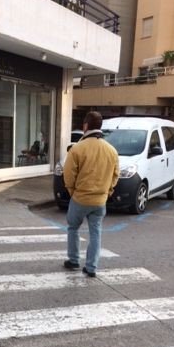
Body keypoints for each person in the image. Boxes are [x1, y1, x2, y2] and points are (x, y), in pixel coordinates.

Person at [63, 111, 119, 278]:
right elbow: (115, 175)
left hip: (80, 198)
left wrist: (73, 192)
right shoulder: (112, 150)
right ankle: (91, 267)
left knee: (73, 227)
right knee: (96, 232)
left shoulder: (77, 149)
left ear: (86, 126)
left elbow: (69, 175)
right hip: (100, 200)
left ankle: (73, 260)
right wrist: (107, 192)